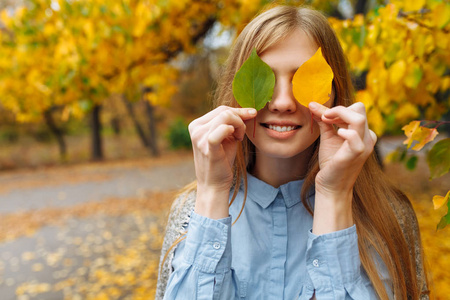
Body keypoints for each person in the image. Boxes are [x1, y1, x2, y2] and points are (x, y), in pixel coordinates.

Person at [156, 5, 429, 300]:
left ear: (335, 94)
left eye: (304, 78)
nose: (283, 102)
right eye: (264, 79)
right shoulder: (189, 212)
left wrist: (335, 195)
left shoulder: (389, 215)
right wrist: (211, 192)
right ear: (236, 91)